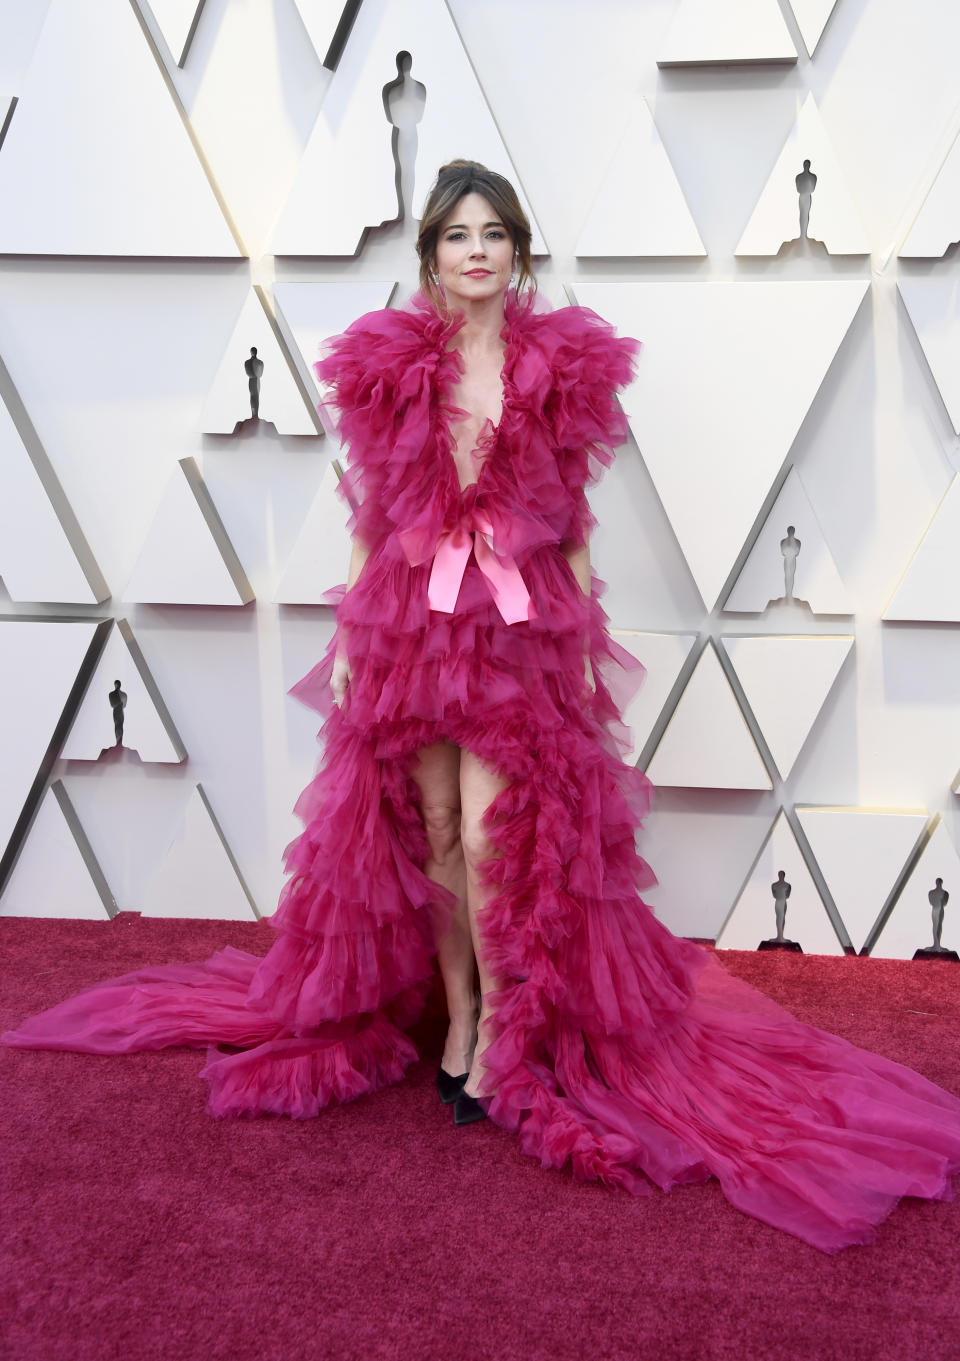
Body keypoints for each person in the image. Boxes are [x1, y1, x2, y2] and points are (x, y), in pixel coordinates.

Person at [5, 160, 960, 1254]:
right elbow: (374, 512)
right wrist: (358, 640)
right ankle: (459, 1009)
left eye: (494, 232)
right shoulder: (391, 369)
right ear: (429, 256)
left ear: (516, 253)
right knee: (440, 829)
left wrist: (586, 635)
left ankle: (505, 1028)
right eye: (457, 233)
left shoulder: (561, 367)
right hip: (415, 620)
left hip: (519, 626)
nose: (476, 250)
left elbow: (578, 514)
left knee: (501, 834)